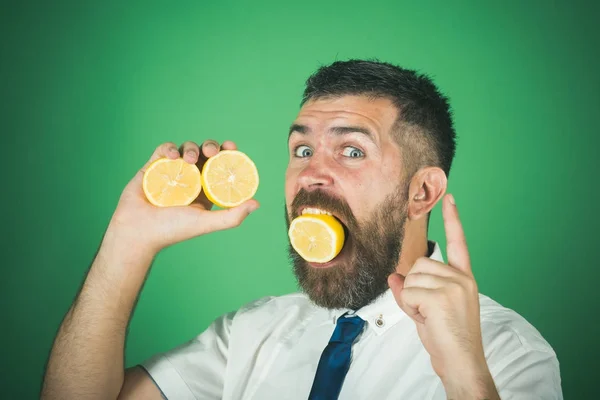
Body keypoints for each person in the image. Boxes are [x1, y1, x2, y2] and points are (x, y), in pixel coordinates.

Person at [41, 60, 562, 399]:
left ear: (421, 192)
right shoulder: (251, 334)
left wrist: (466, 375)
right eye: (303, 150)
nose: (311, 172)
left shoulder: (506, 354)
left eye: (352, 150)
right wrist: (127, 243)